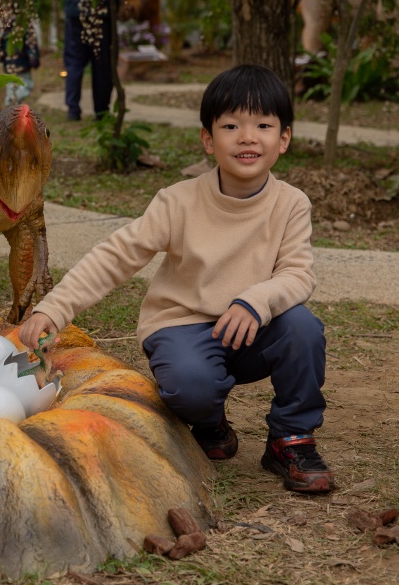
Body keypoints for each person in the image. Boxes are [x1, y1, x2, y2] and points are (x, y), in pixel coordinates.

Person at [19, 64, 334, 494]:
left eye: (263, 125)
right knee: (191, 386)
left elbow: (298, 273)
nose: (247, 136)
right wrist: (54, 308)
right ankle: (209, 421)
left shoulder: (291, 204)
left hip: (251, 326)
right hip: (183, 325)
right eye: (231, 125)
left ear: (284, 139)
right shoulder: (178, 202)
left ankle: (290, 438)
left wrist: (254, 301)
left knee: (302, 328)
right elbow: (115, 256)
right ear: (208, 139)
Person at [60, 0, 125, 121]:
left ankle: (73, 109)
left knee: (74, 62)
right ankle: (101, 111)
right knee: (102, 64)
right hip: (101, 13)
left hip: (76, 12)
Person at [0, 18, 41, 107]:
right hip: (21, 66)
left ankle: (13, 107)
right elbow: (31, 45)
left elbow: (0, 49)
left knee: (12, 88)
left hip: (14, 65)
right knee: (26, 85)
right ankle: (11, 103)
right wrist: (34, 58)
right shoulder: (24, 27)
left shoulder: (5, 29)